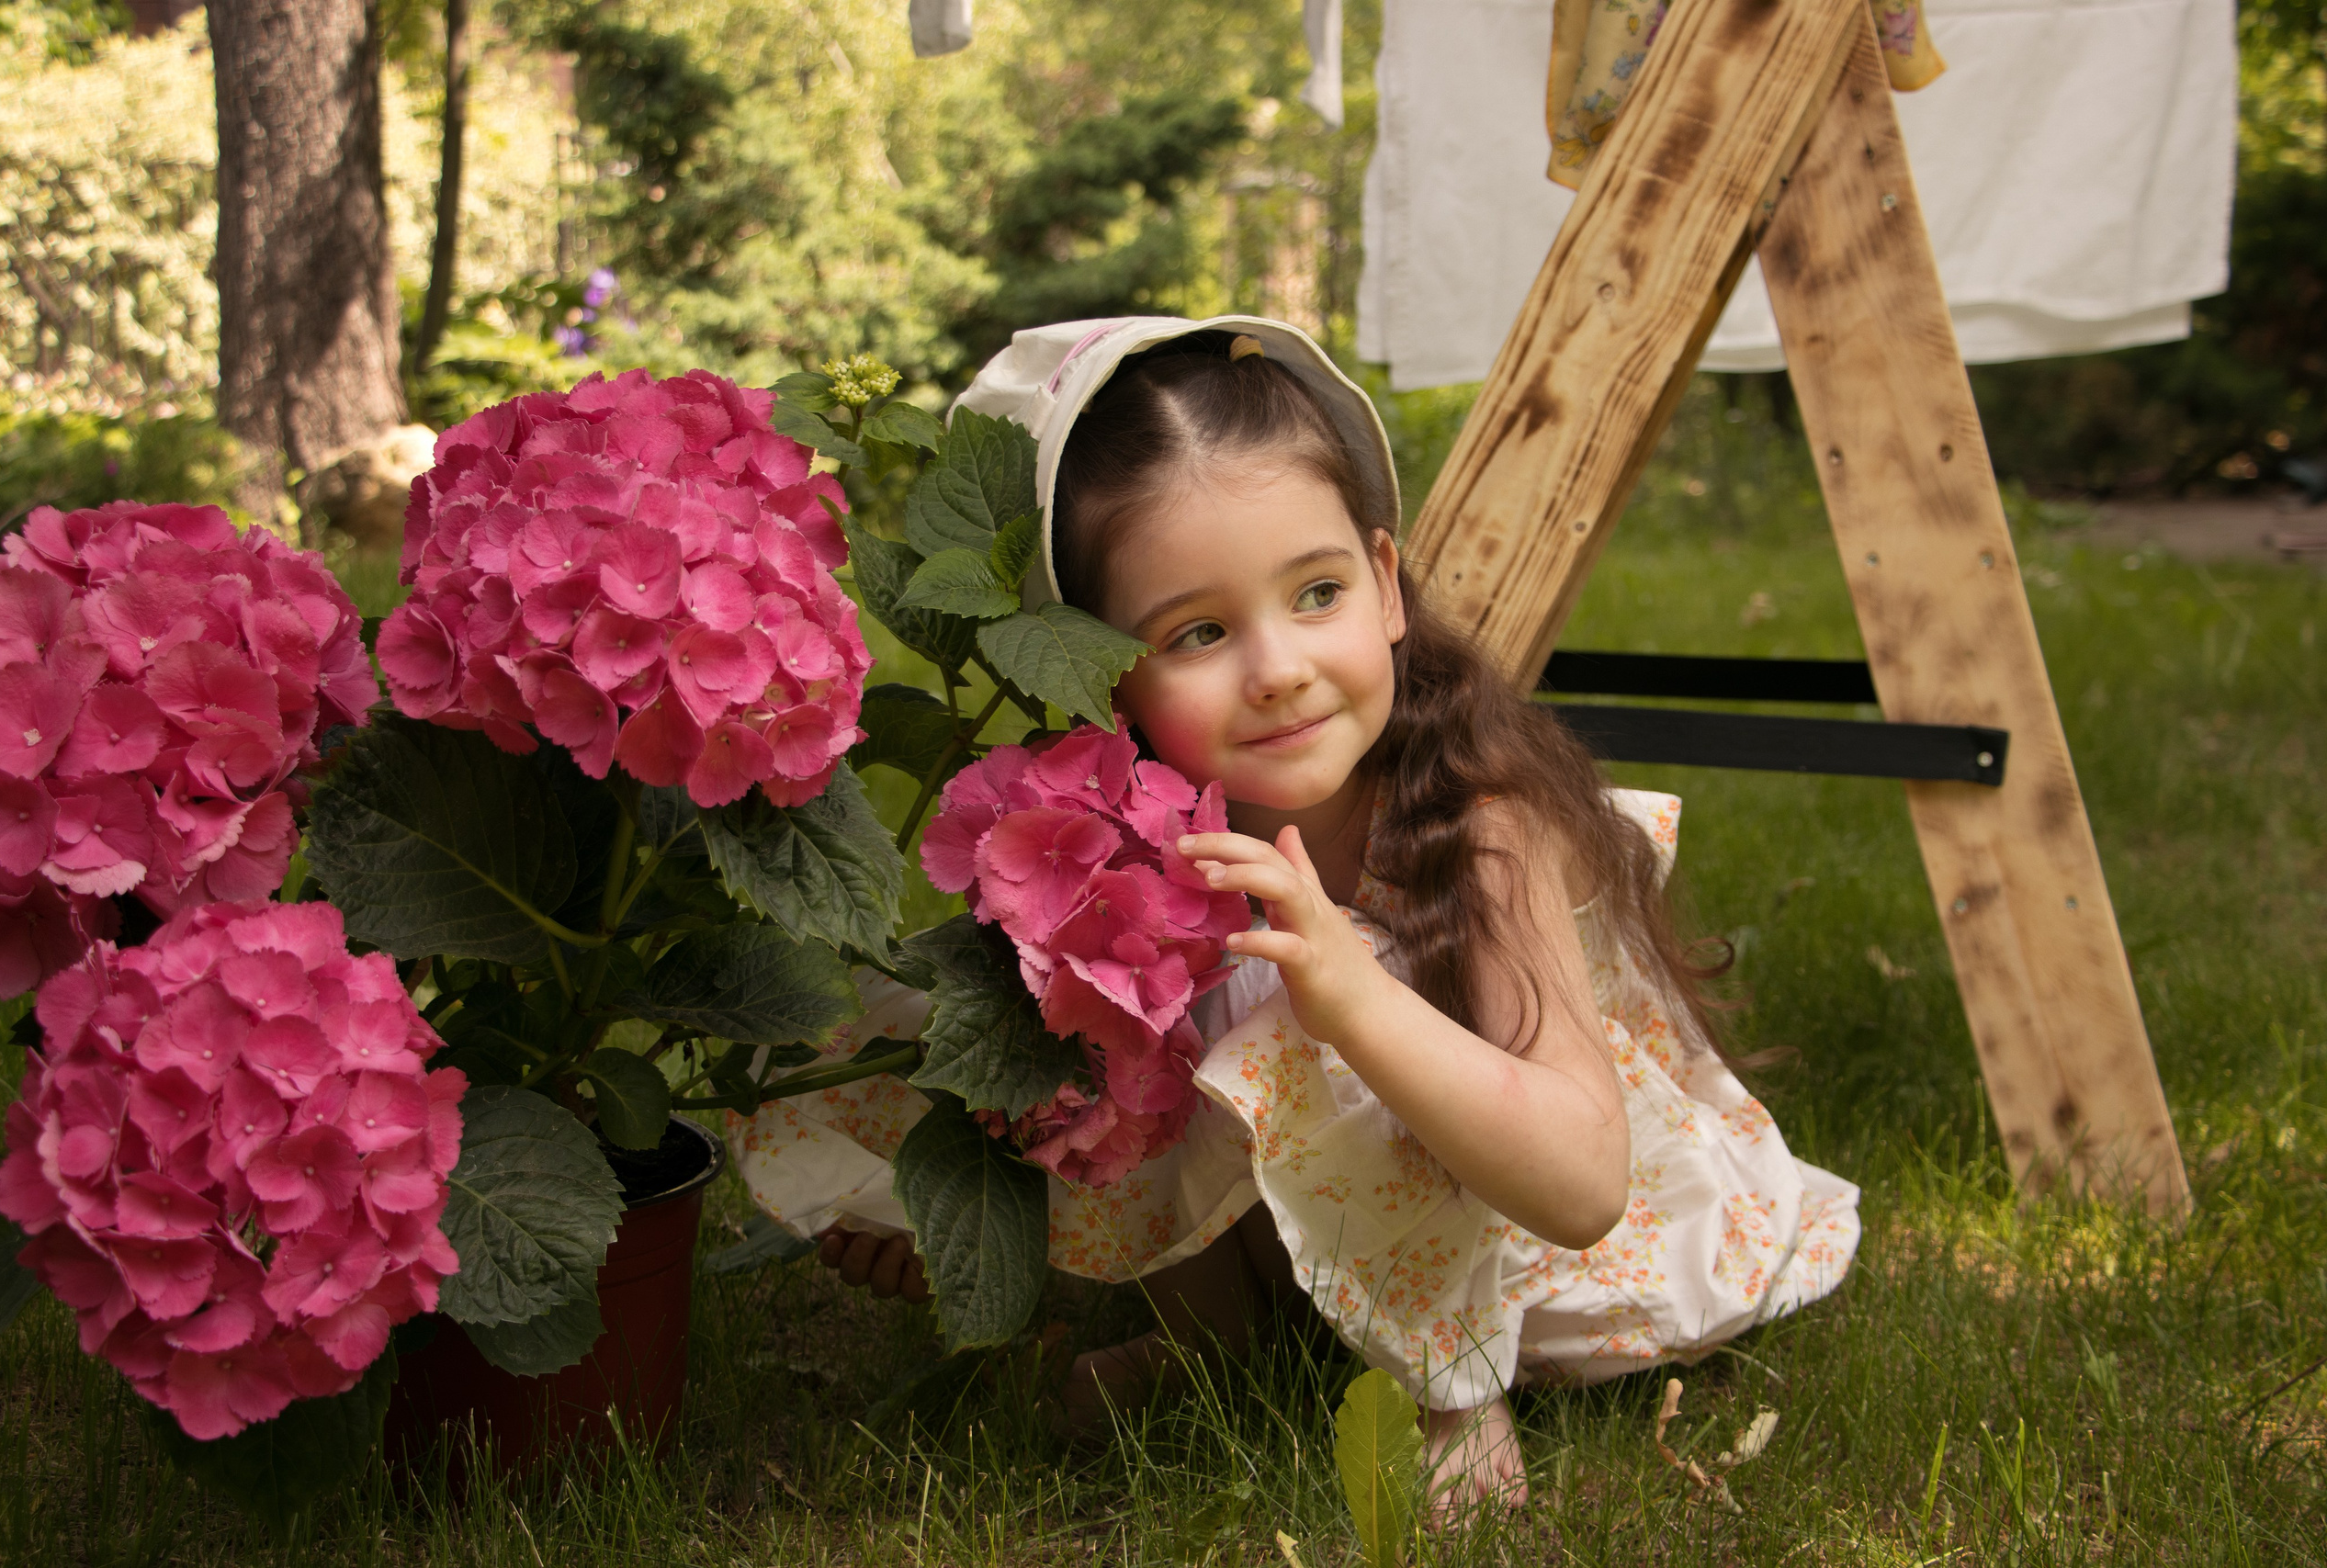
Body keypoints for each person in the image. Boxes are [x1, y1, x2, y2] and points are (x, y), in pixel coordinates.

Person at [731, 316, 1859, 1520]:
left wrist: (1355, 998)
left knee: (1312, 991)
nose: (1276, 667)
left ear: (1385, 583)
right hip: (1363, 1186)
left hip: (1561, 1243)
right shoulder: (1135, 830)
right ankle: (1222, 1342)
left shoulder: (1483, 823)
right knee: (1119, 1000)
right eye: (1199, 633)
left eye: (1316, 593)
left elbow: (1582, 1185)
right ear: (1101, 673)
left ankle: (1452, 1394)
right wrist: (961, 1219)